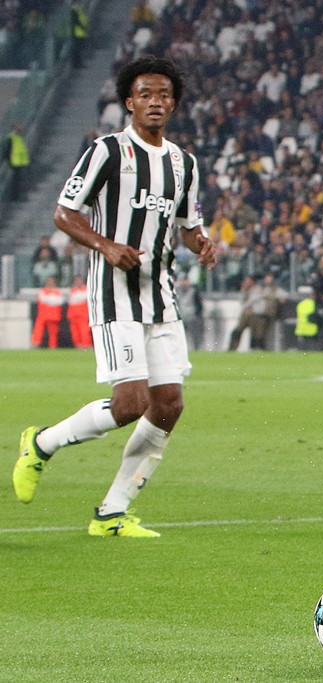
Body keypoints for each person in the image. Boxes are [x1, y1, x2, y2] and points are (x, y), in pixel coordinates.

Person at [13, 56, 217, 538]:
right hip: (114, 294)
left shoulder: (183, 164)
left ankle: (111, 513)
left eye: (164, 95)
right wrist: (106, 246)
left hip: (160, 296)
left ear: (174, 104)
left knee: (168, 404)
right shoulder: (107, 151)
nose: (155, 102)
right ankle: (42, 443)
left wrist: (203, 243)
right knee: (129, 403)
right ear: (129, 102)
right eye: (145, 94)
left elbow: (188, 226)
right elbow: (64, 213)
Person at [228, 273, 283, 351]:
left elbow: (280, 296)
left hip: (259, 314)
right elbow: (243, 301)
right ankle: (232, 348)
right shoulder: (248, 290)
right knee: (238, 330)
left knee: (258, 334)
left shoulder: (264, 289)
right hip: (248, 313)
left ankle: (258, 349)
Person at [32, 276, 65, 349]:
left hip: (54, 315)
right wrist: (51, 300)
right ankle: (36, 344)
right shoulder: (42, 291)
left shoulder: (58, 292)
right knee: (38, 330)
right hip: (43, 315)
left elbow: (60, 301)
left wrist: (47, 300)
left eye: (52, 282)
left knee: (53, 332)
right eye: (49, 281)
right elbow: (43, 299)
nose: (50, 283)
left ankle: (52, 346)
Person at [3, 122, 31, 201]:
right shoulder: (11, 139)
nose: (19, 130)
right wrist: (9, 161)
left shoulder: (18, 138)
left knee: (19, 181)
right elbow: (7, 151)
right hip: (15, 163)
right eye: (17, 129)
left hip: (20, 163)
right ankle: (15, 197)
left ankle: (17, 196)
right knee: (15, 181)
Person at [175, 276, 203, 350]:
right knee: (180, 335)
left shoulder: (194, 291)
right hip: (181, 317)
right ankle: (181, 348)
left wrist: (197, 315)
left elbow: (199, 305)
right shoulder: (177, 291)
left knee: (194, 335)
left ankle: (195, 349)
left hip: (192, 317)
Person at [67, 274, 92, 349]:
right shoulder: (72, 290)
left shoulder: (87, 289)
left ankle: (86, 345)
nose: (78, 282)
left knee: (84, 330)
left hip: (82, 314)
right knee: (75, 332)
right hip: (73, 314)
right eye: (76, 280)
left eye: (79, 280)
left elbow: (78, 298)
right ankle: (78, 345)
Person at [294, 285, 319, 351]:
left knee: (302, 350)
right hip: (312, 330)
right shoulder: (314, 304)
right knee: (312, 350)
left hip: (301, 330)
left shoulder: (300, 304)